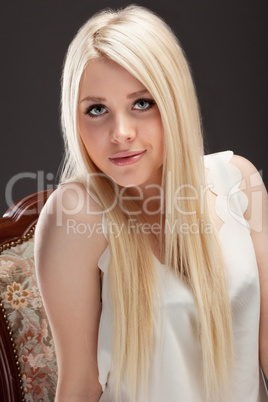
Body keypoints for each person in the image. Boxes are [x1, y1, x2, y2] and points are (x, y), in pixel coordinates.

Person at [34, 5, 268, 402]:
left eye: (142, 103)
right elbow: (79, 386)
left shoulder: (239, 181)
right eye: (96, 110)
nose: (120, 133)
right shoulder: (75, 213)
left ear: (173, 100)